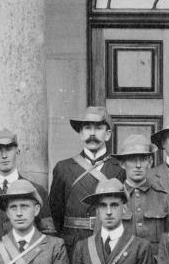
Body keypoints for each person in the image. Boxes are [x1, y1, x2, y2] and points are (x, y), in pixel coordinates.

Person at [0, 128, 55, 259]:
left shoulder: (37, 190)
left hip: (30, 263)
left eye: (8, 149)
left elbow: (48, 234)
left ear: (17, 151)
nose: (4, 155)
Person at [48, 106, 125, 253]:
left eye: (98, 128)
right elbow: (56, 211)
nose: (92, 133)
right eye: (87, 128)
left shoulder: (121, 168)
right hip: (74, 243)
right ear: (81, 133)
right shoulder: (63, 168)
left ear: (107, 134)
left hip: (109, 243)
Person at [112, 134, 169, 248]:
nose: (138, 165)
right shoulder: (111, 199)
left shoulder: (164, 198)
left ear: (150, 162)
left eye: (143, 159)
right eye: (132, 160)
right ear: (122, 164)